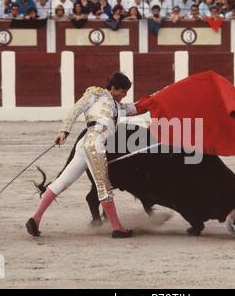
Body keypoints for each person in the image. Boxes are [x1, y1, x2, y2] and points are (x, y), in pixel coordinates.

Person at [26, 72, 151, 239]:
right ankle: (118, 228)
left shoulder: (117, 106)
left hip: (84, 144)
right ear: (112, 87)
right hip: (95, 143)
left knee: (62, 182)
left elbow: (136, 108)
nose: (124, 95)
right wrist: (64, 130)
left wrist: (159, 97)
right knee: (103, 186)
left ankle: (35, 219)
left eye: (126, 92)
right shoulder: (96, 93)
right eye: (122, 91)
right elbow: (76, 109)